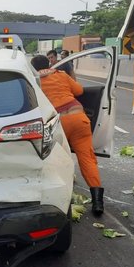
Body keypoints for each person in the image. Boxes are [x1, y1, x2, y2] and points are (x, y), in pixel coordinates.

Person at [31, 55, 104, 215]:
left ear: (33, 68)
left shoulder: (34, 81)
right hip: (79, 118)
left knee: (59, 161)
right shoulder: (61, 74)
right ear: (49, 63)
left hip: (58, 123)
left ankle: (63, 201)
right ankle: (98, 201)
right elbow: (79, 90)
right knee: (87, 158)